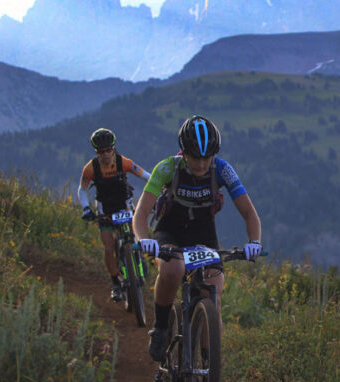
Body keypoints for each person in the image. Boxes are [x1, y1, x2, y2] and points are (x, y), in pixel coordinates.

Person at [132, 115, 262, 362]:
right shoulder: (167, 168)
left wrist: (254, 242)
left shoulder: (222, 169)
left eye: (207, 157)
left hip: (204, 234)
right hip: (170, 230)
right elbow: (141, 213)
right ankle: (160, 328)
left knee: (214, 290)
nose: (202, 164)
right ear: (184, 153)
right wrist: (143, 238)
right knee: (173, 269)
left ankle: (209, 365)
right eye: (195, 157)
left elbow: (249, 212)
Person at [78, 128, 151, 301]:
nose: (105, 154)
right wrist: (86, 208)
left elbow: (145, 175)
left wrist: (159, 190)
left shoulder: (123, 162)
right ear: (96, 152)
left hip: (124, 203)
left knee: (135, 231)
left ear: (113, 148)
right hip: (105, 208)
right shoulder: (90, 168)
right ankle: (116, 283)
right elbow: (82, 190)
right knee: (108, 247)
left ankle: (138, 255)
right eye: (101, 151)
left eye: (108, 150)